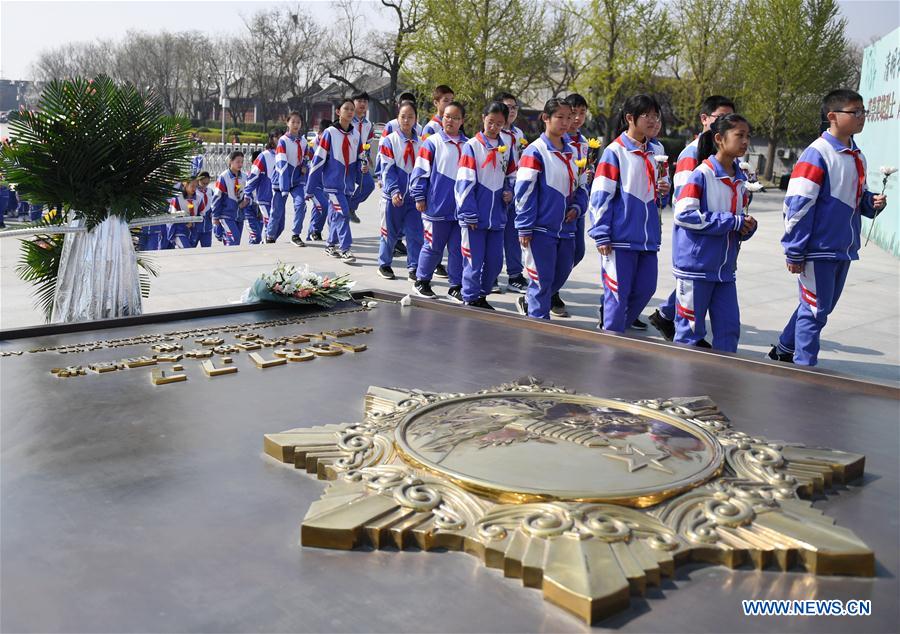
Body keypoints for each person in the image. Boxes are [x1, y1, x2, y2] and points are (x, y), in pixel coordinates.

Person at [770, 89, 887, 366]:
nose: (861, 117)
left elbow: (857, 198)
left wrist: (872, 203)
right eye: (855, 112)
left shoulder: (857, 155)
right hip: (818, 249)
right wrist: (795, 251)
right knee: (814, 310)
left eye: (863, 112)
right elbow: (797, 206)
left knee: (820, 306)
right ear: (832, 116)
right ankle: (804, 368)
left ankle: (785, 348)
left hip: (842, 248)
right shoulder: (817, 154)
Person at [649, 95, 736, 341]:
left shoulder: (730, 158)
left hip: (720, 246)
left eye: (730, 119)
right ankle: (670, 319)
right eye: (720, 118)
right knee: (693, 308)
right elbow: (685, 204)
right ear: (705, 119)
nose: (725, 123)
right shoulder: (693, 153)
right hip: (696, 241)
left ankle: (666, 314)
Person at [671, 114, 757, 351]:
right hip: (696, 269)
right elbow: (684, 214)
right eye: (739, 135)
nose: (745, 141)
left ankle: (722, 386)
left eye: (747, 136)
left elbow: (735, 223)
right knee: (689, 333)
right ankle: (679, 384)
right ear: (719, 138)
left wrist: (746, 227)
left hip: (725, 271)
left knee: (729, 331)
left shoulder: (740, 178)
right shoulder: (702, 174)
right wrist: (732, 222)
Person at [587, 94, 671, 332]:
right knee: (617, 293)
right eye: (648, 116)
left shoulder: (658, 149)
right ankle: (612, 339)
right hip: (619, 238)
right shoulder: (615, 151)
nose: (654, 121)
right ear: (630, 118)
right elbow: (600, 194)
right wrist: (601, 232)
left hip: (647, 237)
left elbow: (661, 194)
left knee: (646, 288)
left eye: (656, 115)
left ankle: (616, 330)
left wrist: (664, 189)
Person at [513, 98, 586, 320]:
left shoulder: (574, 151)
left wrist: (577, 206)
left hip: (566, 228)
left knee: (561, 272)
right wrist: (525, 227)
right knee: (541, 280)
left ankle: (532, 300)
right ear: (546, 118)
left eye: (569, 117)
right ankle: (538, 326)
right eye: (560, 117)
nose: (566, 122)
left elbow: (582, 185)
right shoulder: (535, 151)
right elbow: (524, 192)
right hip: (541, 229)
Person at [455, 101, 517, 309]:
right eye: (491, 122)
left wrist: (510, 192)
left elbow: (512, 176)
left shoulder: (506, 148)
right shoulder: (471, 146)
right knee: (473, 261)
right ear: (483, 118)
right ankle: (470, 297)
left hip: (497, 216)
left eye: (499, 124)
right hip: (475, 217)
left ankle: (482, 294)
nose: (494, 127)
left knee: (495, 262)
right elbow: (464, 182)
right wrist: (469, 213)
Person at [411, 100, 468, 302]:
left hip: (460, 209)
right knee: (433, 246)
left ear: (462, 121)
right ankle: (422, 281)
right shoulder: (432, 142)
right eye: (447, 117)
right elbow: (419, 172)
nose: (450, 121)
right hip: (436, 206)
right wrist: (419, 195)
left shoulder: (468, 145)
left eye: (455, 118)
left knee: (457, 249)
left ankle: (455, 286)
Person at [306, 98, 366, 263]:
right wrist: (310, 188)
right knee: (343, 213)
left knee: (336, 215)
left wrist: (363, 166)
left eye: (352, 109)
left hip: (348, 184)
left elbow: (361, 156)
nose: (350, 112)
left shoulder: (356, 134)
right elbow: (318, 160)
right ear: (338, 112)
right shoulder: (330, 133)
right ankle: (345, 248)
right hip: (332, 185)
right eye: (346, 109)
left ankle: (330, 245)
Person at [553, 92, 591, 317]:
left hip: (578, 201)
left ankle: (551, 288)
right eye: (572, 113)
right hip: (557, 201)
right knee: (557, 252)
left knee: (577, 251)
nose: (576, 118)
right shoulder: (557, 139)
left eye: (581, 113)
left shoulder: (585, 142)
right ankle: (547, 292)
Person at [377, 100, 424, 281]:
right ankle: (384, 264)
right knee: (389, 233)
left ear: (416, 120)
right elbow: (387, 168)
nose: (406, 120)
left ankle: (414, 267)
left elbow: (423, 170)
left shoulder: (421, 143)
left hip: (413, 198)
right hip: (392, 197)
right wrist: (394, 190)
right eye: (403, 116)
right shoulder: (390, 140)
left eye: (410, 117)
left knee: (415, 234)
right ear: (398, 118)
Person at [496, 92, 529, 296]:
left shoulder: (519, 134)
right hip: (496, 190)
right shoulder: (494, 132)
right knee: (494, 236)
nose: (512, 111)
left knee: (514, 235)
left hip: (516, 190)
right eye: (507, 107)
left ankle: (515, 275)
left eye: (515, 107)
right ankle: (489, 275)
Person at [273, 111, 311, 246]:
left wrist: (305, 166)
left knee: (301, 205)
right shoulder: (283, 141)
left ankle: (296, 234)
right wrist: (284, 186)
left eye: (298, 122)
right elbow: (281, 163)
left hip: (297, 181)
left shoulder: (304, 141)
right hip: (282, 180)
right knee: (277, 211)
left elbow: (306, 156)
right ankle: (270, 236)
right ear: (287, 123)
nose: (296, 124)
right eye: (293, 122)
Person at [210, 150, 250, 246]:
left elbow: (250, 193)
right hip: (226, 214)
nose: (240, 164)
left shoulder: (244, 177)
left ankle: (228, 252)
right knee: (234, 239)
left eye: (242, 162)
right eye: (237, 162)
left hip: (239, 215)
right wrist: (215, 216)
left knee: (236, 241)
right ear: (230, 161)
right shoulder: (223, 177)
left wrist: (246, 201)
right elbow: (217, 197)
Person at [348, 92, 376, 224]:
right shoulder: (347, 120)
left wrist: (367, 157)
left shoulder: (368, 124)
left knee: (369, 184)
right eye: (359, 101)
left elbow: (368, 142)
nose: (362, 104)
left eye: (365, 101)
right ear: (353, 102)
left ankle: (350, 207)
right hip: (346, 160)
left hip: (360, 160)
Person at [245, 134, 278, 242]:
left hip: (263, 204)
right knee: (256, 235)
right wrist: (247, 195)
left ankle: (264, 244)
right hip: (252, 206)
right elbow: (249, 186)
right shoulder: (249, 175)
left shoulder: (279, 156)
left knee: (266, 229)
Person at [306, 119, 333, 242]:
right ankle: (315, 231)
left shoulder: (331, 144)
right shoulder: (311, 146)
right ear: (319, 132)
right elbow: (306, 164)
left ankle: (311, 234)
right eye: (325, 135)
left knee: (319, 207)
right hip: (313, 183)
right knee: (323, 205)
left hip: (325, 183)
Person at [167, 177, 207, 248]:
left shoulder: (199, 199)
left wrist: (193, 222)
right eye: (192, 186)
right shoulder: (177, 198)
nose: (194, 189)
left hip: (193, 231)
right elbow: (173, 215)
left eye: (196, 186)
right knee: (186, 248)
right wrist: (185, 219)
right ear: (185, 185)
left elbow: (202, 214)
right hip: (178, 230)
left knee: (188, 253)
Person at [243, 150, 266, 244]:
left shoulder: (265, 175)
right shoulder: (248, 176)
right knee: (256, 235)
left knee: (258, 234)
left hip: (260, 207)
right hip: (249, 207)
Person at [194, 171, 214, 247]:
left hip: (207, 227)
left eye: (207, 183)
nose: (205, 186)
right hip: (195, 227)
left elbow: (213, 204)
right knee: (191, 248)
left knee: (207, 249)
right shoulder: (194, 191)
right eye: (203, 183)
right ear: (198, 181)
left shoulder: (210, 191)